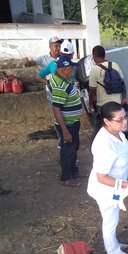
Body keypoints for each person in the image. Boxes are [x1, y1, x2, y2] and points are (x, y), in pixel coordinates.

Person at [87, 101, 128, 254]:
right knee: (110, 219)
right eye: (120, 119)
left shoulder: (118, 133)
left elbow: (122, 155)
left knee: (115, 212)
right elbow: (102, 177)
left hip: (116, 188)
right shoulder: (104, 144)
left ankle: (114, 242)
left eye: (125, 117)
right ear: (107, 121)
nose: (125, 121)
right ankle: (112, 249)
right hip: (106, 189)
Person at [49, 56, 83, 187]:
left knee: (73, 148)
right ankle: (67, 178)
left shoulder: (62, 78)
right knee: (68, 150)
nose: (73, 70)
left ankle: (74, 171)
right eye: (71, 68)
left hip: (72, 122)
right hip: (67, 125)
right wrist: (65, 131)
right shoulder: (60, 85)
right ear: (64, 69)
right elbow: (56, 109)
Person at [88, 45, 127, 137]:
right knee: (117, 128)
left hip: (103, 106)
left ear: (94, 55)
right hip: (117, 103)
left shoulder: (94, 70)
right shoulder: (115, 65)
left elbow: (92, 91)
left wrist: (90, 105)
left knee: (100, 130)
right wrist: (124, 98)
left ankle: (99, 147)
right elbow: (123, 83)